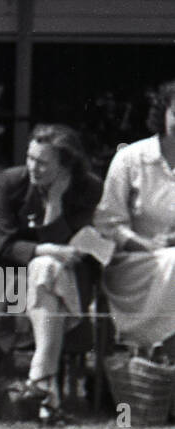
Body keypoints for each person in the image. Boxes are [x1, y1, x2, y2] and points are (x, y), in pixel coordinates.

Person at [0, 124, 103, 425]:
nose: (33, 167)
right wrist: (45, 250)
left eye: (43, 163)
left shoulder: (88, 187)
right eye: (30, 158)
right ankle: (45, 392)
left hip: (74, 280)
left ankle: (40, 384)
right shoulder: (12, 182)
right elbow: (4, 244)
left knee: (47, 270)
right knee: (45, 266)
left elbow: (76, 247)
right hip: (18, 281)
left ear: (65, 165)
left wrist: (55, 201)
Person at [94, 80, 175, 354]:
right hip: (134, 265)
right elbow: (107, 222)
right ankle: (157, 354)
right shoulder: (131, 158)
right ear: (163, 114)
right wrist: (146, 245)